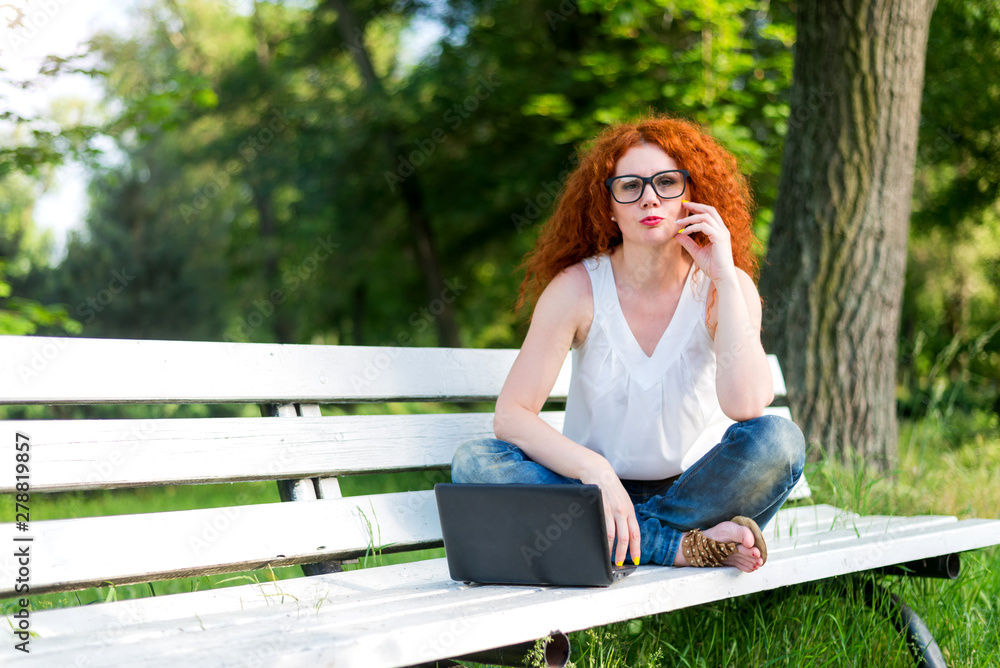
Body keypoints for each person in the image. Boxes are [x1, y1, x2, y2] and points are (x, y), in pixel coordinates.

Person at [451, 114, 805, 573]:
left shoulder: (725, 287)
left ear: (691, 195)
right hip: (588, 494)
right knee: (476, 463)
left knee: (780, 440)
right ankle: (677, 547)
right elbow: (511, 415)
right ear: (609, 206)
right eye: (630, 186)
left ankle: (631, 539)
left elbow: (747, 405)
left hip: (696, 494)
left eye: (666, 182)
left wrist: (723, 275)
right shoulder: (576, 289)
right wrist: (596, 472)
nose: (650, 197)